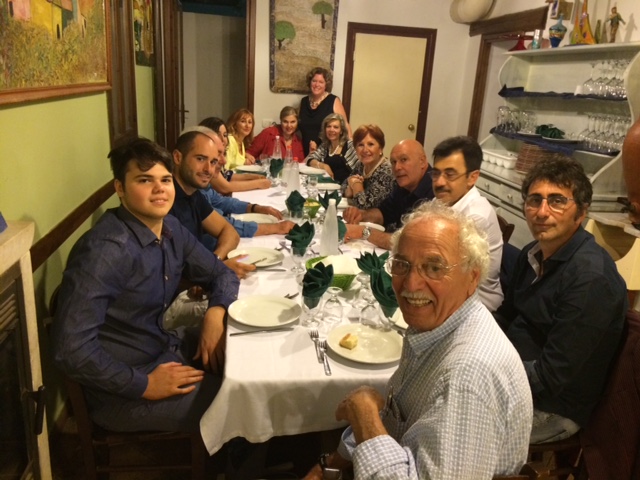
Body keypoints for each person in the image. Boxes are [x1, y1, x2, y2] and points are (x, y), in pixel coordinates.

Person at [304, 201, 532, 479]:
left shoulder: (468, 375)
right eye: (402, 264)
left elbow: (380, 420)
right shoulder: (435, 327)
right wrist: (331, 463)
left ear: (473, 277)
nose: (410, 284)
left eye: (434, 268)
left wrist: (364, 416)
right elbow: (396, 415)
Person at [51, 136, 240, 434]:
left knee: (244, 352)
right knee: (240, 401)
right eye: (144, 180)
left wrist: (214, 315)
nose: (159, 188)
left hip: (164, 347)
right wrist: (145, 384)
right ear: (120, 188)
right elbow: (70, 350)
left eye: (165, 179)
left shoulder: (171, 229)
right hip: (123, 392)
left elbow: (223, 274)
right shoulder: (105, 251)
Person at [495, 157, 627, 444]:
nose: (542, 212)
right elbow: (506, 314)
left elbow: (551, 377)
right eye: (535, 200)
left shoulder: (591, 280)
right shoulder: (532, 253)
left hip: (553, 407)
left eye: (557, 201)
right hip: (512, 371)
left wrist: (487, 373)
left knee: (452, 422)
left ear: (581, 212)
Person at [170, 126, 255, 279]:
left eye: (213, 162)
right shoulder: (165, 201)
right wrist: (214, 269)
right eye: (200, 159)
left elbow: (229, 231)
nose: (208, 169)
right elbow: (168, 273)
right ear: (177, 157)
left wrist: (215, 263)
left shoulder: (193, 194)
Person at [431, 135, 503, 311]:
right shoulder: (444, 200)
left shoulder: (475, 217)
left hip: (475, 303)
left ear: (472, 177)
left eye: (450, 174)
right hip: (445, 288)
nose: (439, 182)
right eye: (436, 173)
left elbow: (449, 273)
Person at [200, 130, 295, 242]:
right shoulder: (194, 195)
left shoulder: (201, 188)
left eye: (223, 154)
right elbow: (226, 226)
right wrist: (276, 228)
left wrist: (255, 208)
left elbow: (221, 201)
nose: (224, 161)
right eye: (201, 158)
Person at [342, 139, 434, 250]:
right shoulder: (405, 184)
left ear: (422, 161)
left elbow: (411, 243)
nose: (397, 167)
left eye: (404, 160)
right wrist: (361, 215)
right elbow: (384, 213)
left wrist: (364, 232)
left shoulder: (435, 190)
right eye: (393, 162)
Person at [199, 116, 272, 194]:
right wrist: (258, 184)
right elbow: (225, 187)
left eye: (225, 135)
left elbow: (227, 175)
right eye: (218, 135)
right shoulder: (209, 162)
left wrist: (253, 177)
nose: (223, 140)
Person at [298, 67, 352, 156]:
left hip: (327, 153)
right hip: (305, 152)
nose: (317, 84)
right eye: (314, 81)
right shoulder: (303, 102)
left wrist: (351, 151)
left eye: (321, 82)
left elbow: (345, 126)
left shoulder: (333, 100)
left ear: (326, 85)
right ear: (310, 82)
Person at [342, 124, 394, 210]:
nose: (365, 150)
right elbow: (343, 187)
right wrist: (349, 190)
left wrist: (355, 184)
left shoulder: (387, 171)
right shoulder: (361, 165)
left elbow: (364, 206)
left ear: (380, 149)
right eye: (361, 145)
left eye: (370, 144)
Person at [304, 113, 358, 184]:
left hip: (346, 186)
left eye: (336, 127)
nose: (331, 130)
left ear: (341, 131)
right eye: (328, 126)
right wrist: (324, 166)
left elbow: (359, 168)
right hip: (328, 185)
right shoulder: (325, 146)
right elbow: (310, 159)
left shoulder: (350, 145)